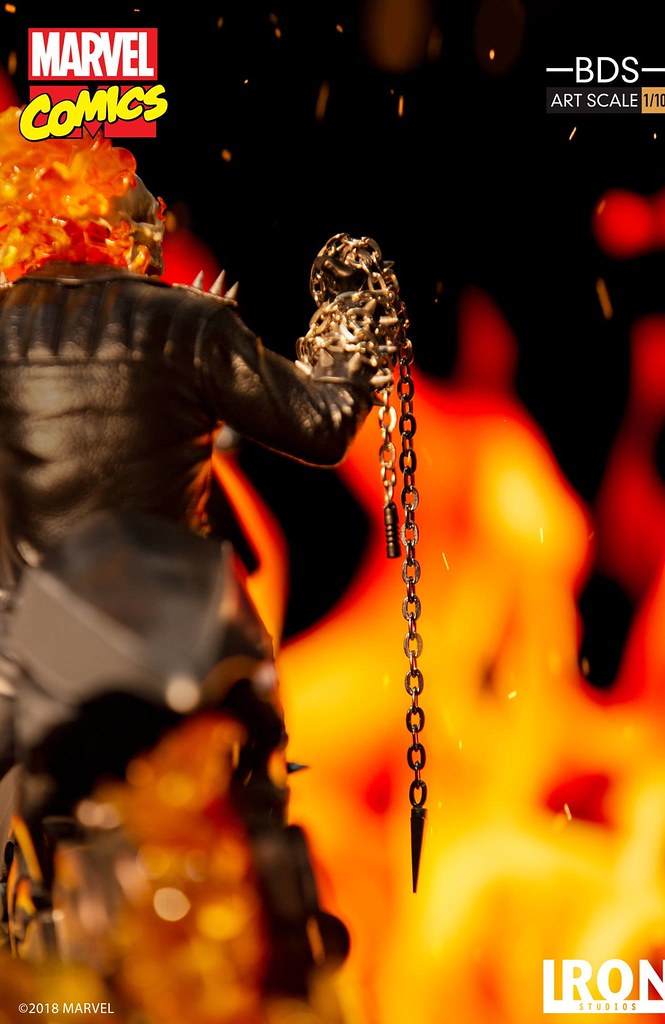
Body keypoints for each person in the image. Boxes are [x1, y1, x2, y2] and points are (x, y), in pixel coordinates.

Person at [0, 104, 404, 988]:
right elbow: (322, 425)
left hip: (31, 670)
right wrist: (351, 333)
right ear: (128, 230)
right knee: (253, 787)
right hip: (182, 660)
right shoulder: (186, 325)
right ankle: (283, 928)